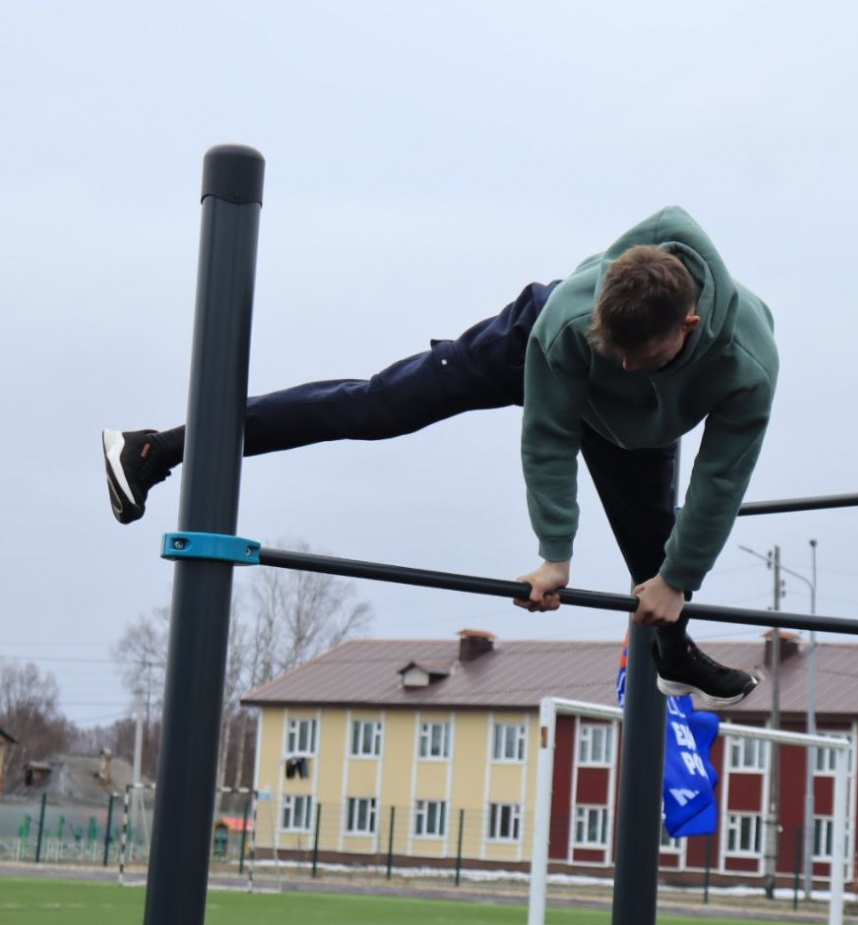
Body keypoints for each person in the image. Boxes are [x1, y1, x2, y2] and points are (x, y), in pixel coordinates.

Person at [102, 206, 777, 708]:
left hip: (640, 423)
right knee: (375, 407)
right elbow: (549, 432)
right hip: (526, 352)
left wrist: (678, 576)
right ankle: (158, 448)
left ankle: (673, 649)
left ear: (688, 326)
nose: (626, 364)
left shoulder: (746, 362)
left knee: (660, 568)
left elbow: (720, 475)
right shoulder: (572, 320)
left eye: (643, 355)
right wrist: (555, 552)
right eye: (616, 350)